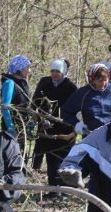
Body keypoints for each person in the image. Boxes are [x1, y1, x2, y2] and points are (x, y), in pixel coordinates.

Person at [32, 58, 78, 191]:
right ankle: (53, 189)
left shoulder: (71, 87)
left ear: (63, 72)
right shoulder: (44, 82)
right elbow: (36, 101)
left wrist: (62, 121)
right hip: (45, 126)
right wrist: (39, 118)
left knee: (61, 159)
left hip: (63, 129)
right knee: (50, 159)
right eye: (52, 71)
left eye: (57, 71)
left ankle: (64, 189)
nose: (54, 74)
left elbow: (73, 109)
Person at [62, 62, 111, 137]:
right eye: (100, 80)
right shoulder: (83, 93)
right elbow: (65, 111)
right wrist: (77, 124)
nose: (103, 84)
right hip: (91, 136)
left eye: (105, 80)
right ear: (92, 79)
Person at [1, 55, 33, 152]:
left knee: (22, 154)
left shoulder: (23, 83)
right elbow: (5, 107)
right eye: (28, 67)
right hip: (13, 126)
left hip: (23, 125)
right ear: (20, 69)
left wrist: (30, 124)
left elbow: (27, 106)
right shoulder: (9, 83)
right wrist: (11, 128)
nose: (29, 70)